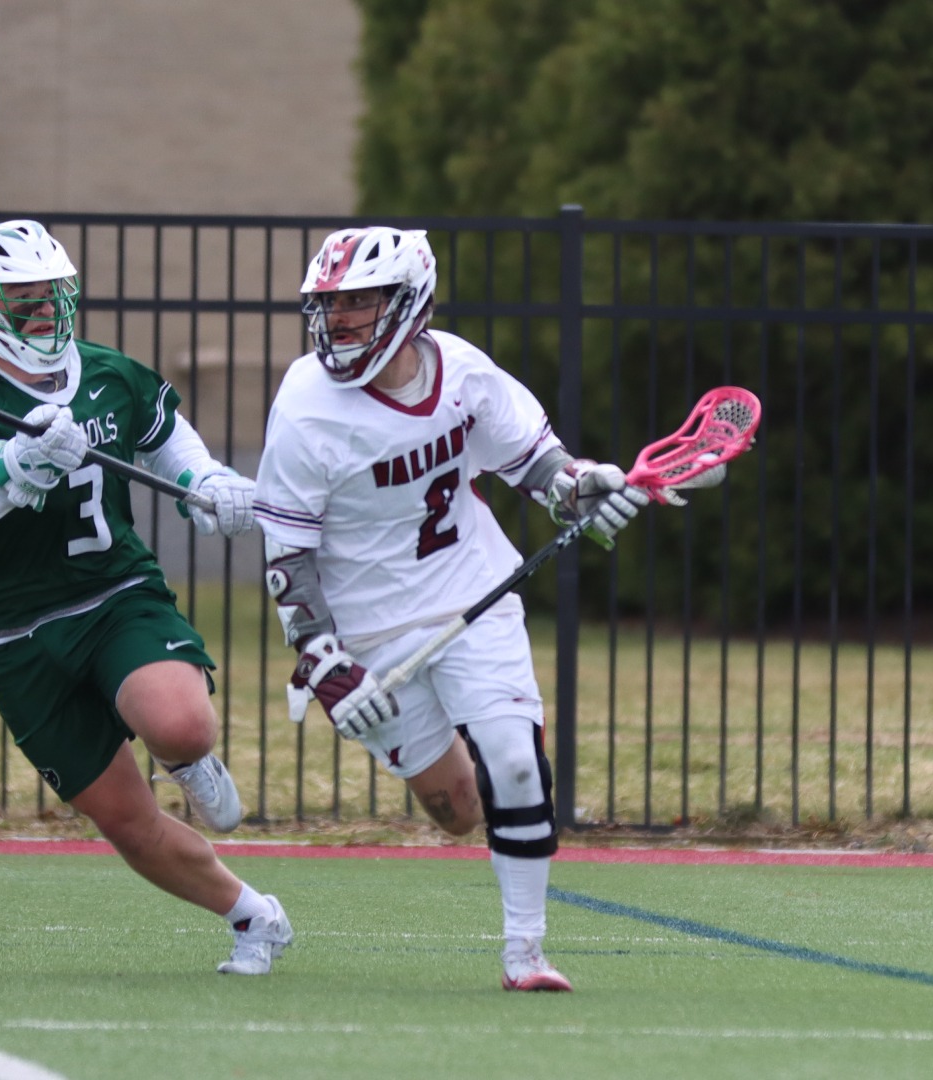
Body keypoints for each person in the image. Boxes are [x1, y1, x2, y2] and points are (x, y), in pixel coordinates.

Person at [253, 226, 723, 991]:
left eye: (359, 302)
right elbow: (288, 556)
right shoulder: (307, 407)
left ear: (411, 305)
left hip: (474, 594)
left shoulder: (464, 372)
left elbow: (536, 465)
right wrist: (324, 662)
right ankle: (480, 826)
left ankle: (525, 954)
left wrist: (581, 489)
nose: (338, 321)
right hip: (369, 632)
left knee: (513, 759)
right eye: (329, 305)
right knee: (457, 808)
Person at [0, 219, 291, 975]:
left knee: (180, 722)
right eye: (21, 299)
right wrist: (11, 474)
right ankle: (253, 916)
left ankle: (187, 755)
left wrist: (207, 487)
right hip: (14, 637)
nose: (42, 312)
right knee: (129, 824)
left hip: (112, 596)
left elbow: (175, 446)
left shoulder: (110, 374)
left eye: (51, 296)